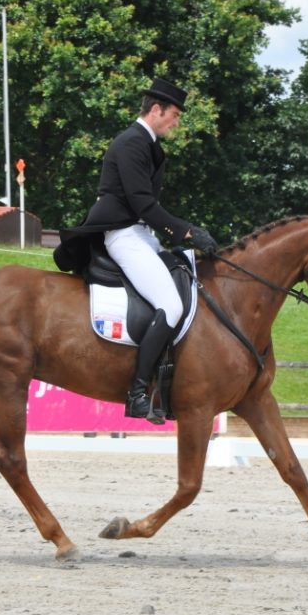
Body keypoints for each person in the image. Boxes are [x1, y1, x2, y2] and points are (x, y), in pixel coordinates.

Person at [53, 77, 218, 425]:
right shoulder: (131, 143)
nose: (176, 121)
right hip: (123, 235)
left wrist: (181, 235)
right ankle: (138, 390)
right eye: (174, 114)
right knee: (171, 305)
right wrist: (187, 231)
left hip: (140, 234)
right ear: (156, 110)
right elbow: (143, 204)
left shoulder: (148, 144)